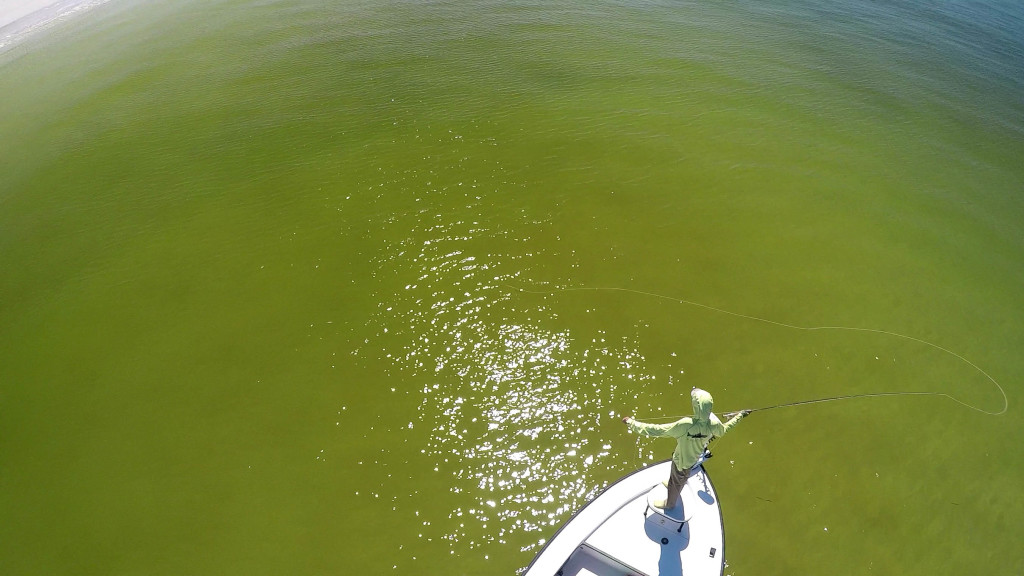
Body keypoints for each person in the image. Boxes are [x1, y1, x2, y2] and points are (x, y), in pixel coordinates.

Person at [622, 388, 751, 509]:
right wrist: (740, 416)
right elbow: (725, 429)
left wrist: (632, 423)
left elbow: (656, 430)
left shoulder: (685, 425)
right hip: (690, 459)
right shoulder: (714, 424)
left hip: (681, 463)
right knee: (680, 475)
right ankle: (676, 482)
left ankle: (670, 503)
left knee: (676, 480)